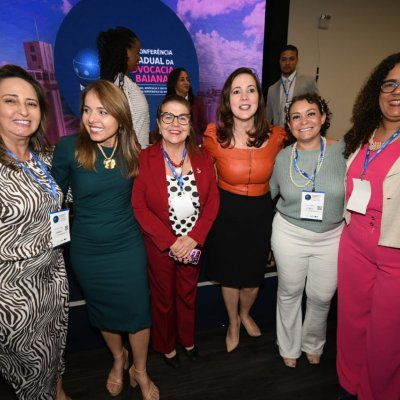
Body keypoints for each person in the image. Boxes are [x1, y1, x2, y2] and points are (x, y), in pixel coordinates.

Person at [51, 80, 159, 399]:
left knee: (138, 312)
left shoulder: (134, 151)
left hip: (127, 247)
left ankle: (140, 370)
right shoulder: (69, 147)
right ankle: (118, 359)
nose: (93, 118)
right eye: (87, 110)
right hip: (87, 250)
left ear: (120, 116)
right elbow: (50, 197)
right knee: (104, 312)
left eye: (102, 111)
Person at [203, 67, 286, 352]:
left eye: (251, 89)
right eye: (236, 91)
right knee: (229, 275)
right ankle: (233, 321)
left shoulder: (277, 136)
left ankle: (245, 313)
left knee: (252, 278)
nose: (244, 97)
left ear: (259, 98)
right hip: (226, 213)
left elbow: (307, 148)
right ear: (228, 99)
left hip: (260, 213)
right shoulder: (214, 136)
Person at [132, 94, 219, 368]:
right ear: (158, 122)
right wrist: (171, 243)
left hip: (193, 244)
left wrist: (194, 238)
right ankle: (166, 345)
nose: (175, 123)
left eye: (182, 117)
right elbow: (139, 207)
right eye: (168, 116)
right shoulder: (145, 159)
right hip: (162, 246)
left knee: (187, 293)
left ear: (190, 124)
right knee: (163, 298)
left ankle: (187, 339)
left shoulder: (203, 157)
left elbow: (213, 201)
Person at [0, 65, 70, 399]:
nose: (23, 111)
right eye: (11, 101)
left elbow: (64, 198)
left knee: (56, 348)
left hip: (53, 275)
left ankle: (58, 390)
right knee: (32, 371)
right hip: (14, 293)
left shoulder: (44, 156)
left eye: (32, 103)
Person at [337, 53, 400, 400]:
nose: (396, 92)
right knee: (351, 324)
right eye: (389, 84)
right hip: (354, 245)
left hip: (395, 255)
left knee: (386, 338)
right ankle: (349, 385)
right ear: (377, 91)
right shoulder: (364, 133)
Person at [269, 93, 346, 369]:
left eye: (311, 113)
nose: (304, 121)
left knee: (321, 296)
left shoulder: (344, 151)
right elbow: (272, 194)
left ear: (323, 118)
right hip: (290, 234)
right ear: (289, 125)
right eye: (296, 116)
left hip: (332, 237)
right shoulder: (282, 158)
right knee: (289, 291)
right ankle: (288, 345)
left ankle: (313, 343)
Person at [97, 26, 150, 149]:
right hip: (128, 160)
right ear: (125, 51)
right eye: (137, 52)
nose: (139, 58)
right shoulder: (117, 85)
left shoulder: (122, 82)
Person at [267, 45, 319, 127]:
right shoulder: (272, 89)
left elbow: (318, 108)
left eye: (291, 59)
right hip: (279, 135)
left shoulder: (308, 82)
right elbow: (268, 118)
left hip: (301, 133)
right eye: (284, 59)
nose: (287, 63)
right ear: (279, 61)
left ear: (297, 61)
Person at [165, 67, 207, 145]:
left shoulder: (197, 102)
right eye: (182, 80)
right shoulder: (166, 104)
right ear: (174, 83)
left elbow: (203, 126)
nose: (186, 82)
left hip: (194, 145)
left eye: (188, 80)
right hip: (172, 144)